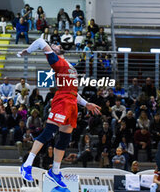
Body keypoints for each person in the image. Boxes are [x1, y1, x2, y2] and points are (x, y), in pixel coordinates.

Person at [18, 37, 100, 188]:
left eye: (56, 44)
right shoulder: (55, 60)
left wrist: (86, 103)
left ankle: (55, 172)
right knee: (48, 132)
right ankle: (27, 164)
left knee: (64, 139)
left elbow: (74, 92)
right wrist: (27, 51)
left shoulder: (71, 67)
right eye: (54, 45)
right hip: (62, 100)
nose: (57, 45)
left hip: (71, 102)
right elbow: (40, 41)